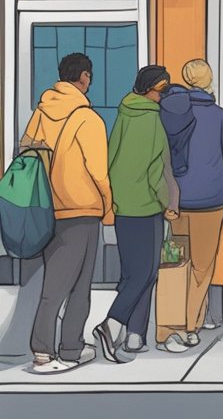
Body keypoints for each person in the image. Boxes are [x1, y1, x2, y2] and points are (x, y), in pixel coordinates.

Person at [22, 53, 110, 374]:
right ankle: (62, 349)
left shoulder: (41, 113)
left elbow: (26, 153)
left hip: (46, 208)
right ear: (84, 77)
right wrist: (108, 206)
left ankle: (51, 349)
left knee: (53, 282)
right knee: (78, 285)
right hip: (81, 209)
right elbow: (99, 171)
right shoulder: (89, 120)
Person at [156, 59, 223, 353]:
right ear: (209, 81)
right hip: (209, 201)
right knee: (202, 268)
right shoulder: (218, 116)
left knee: (177, 263)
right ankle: (190, 327)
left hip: (175, 199)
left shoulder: (169, 112)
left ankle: (177, 321)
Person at [93, 66, 178, 363]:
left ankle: (135, 336)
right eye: (161, 91)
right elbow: (158, 170)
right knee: (146, 272)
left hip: (122, 207)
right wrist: (169, 203)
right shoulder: (152, 121)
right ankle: (113, 324)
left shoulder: (124, 114)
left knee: (132, 272)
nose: (163, 96)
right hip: (146, 207)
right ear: (150, 90)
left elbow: (111, 156)